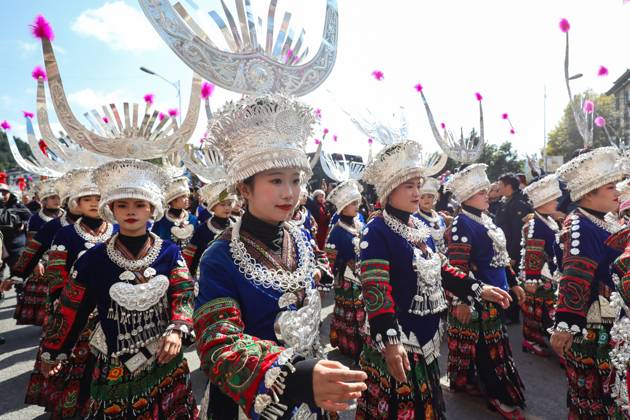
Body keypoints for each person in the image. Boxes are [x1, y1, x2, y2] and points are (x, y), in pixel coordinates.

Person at [194, 95, 367, 419]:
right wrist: (296, 375)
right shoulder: (218, 258)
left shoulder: (299, 237)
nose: (290, 192)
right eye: (276, 180)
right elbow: (217, 345)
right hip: (249, 405)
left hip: (310, 398)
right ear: (244, 188)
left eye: (295, 180)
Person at [357, 141, 512, 419]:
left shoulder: (420, 227)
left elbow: (442, 269)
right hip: (400, 340)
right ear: (389, 189)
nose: (417, 192)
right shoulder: (376, 230)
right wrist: (390, 342)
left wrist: (477, 288)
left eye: (418, 184)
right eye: (409, 186)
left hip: (427, 338)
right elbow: (375, 291)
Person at [39, 159, 198, 418]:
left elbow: (183, 292)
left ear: (152, 210)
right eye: (122, 205)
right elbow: (72, 307)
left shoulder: (169, 252)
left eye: (139, 205)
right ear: (111, 209)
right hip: (117, 358)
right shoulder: (94, 259)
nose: (131, 211)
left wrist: (178, 329)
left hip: (166, 353)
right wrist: (54, 351)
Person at [25, 171, 114, 419]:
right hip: (77, 308)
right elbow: (56, 272)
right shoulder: (66, 234)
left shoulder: (117, 229)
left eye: (99, 198)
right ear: (77, 203)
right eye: (88, 199)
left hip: (113, 308)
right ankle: (78, 406)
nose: (94, 203)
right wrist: (60, 300)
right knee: (79, 363)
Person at [444, 163, 526, 419]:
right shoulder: (461, 224)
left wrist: (513, 282)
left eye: (486, 190)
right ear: (467, 196)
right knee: (489, 352)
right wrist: (461, 301)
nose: (489, 195)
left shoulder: (485, 219)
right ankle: (497, 397)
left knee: (490, 347)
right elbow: (457, 266)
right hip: (479, 297)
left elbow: (500, 258)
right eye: (482, 192)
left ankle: (477, 383)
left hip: (497, 294)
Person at [549, 147, 625, 419]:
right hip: (595, 326)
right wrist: (566, 325)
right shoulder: (580, 224)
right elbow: (576, 276)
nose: (618, 191)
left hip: (611, 320)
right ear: (589, 191)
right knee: (596, 397)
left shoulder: (603, 221)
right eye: (610, 186)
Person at [518, 175, 563, 357]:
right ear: (544, 202)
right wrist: (532, 278)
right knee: (536, 312)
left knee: (542, 311)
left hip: (550, 274)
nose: (557, 202)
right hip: (540, 276)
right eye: (554, 199)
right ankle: (531, 341)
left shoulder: (549, 220)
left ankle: (539, 340)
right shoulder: (536, 224)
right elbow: (533, 252)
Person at [11, 178, 64, 325]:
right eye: (52, 198)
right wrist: (37, 262)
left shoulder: (66, 215)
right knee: (45, 299)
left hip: (64, 260)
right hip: (44, 261)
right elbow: (31, 244)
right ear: (44, 201)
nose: (56, 200)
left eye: (58, 197)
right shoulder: (36, 219)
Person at [324, 179, 364, 362]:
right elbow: (329, 258)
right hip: (346, 281)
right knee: (349, 314)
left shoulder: (359, 223)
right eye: (352, 204)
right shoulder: (337, 231)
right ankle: (348, 345)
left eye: (357, 202)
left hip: (361, 277)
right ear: (342, 207)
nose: (356, 206)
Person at [495, 173, 533, 324]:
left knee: (513, 282)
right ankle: (509, 313)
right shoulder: (506, 201)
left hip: (511, 250)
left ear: (508, 186)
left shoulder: (519, 204)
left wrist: (514, 256)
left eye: (500, 185)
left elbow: (517, 233)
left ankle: (513, 315)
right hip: (503, 247)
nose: (498, 187)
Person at [182, 179, 236, 278]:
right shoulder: (202, 229)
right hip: (205, 275)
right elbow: (191, 255)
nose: (227, 208)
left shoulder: (236, 227)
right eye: (222, 204)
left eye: (229, 204)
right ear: (213, 207)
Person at [151, 175, 198, 249]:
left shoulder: (193, 219)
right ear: (173, 199)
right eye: (183, 196)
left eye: (187, 196)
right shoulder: (160, 219)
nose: (187, 199)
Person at [416, 177, 447, 253]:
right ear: (418, 200)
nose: (426, 200)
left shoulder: (440, 218)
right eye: (422, 197)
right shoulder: (415, 219)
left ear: (434, 198)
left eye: (429, 196)